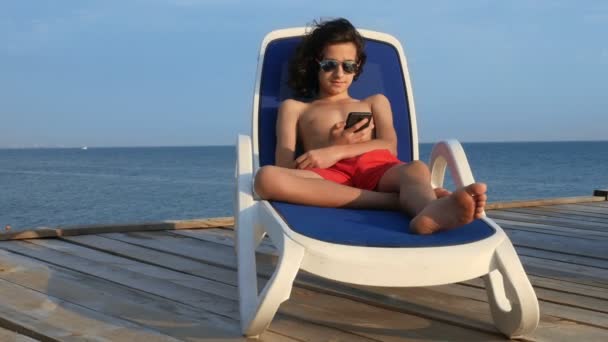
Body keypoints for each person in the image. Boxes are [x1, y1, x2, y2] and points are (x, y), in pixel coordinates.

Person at [254, 18, 487, 235]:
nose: (339, 73)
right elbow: (284, 166)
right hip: (326, 177)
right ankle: (398, 201)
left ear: (358, 67)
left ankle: (429, 214)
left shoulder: (374, 102)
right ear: (315, 64)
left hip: (374, 168)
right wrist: (329, 153)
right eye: (329, 64)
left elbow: (390, 147)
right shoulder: (295, 108)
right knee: (266, 178)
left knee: (415, 169)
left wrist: (336, 150)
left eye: (348, 66)